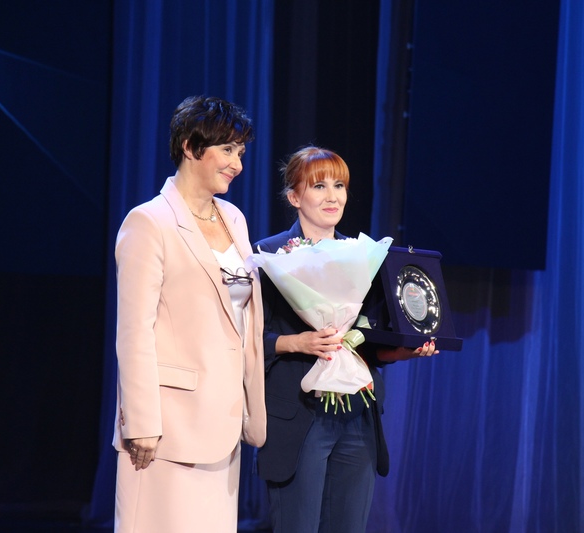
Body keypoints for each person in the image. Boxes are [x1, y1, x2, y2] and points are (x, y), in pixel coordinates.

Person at [253, 146, 437, 533]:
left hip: (357, 413)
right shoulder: (268, 255)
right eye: (319, 186)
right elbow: (247, 339)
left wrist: (403, 351)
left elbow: (368, 342)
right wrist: (297, 342)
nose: (332, 196)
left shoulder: (361, 255)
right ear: (294, 197)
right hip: (299, 412)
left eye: (339, 186)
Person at [112, 95, 266, 532]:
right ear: (190, 146)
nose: (237, 164)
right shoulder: (149, 222)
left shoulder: (233, 218)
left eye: (240, 152)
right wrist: (141, 421)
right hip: (168, 427)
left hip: (222, 421)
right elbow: (134, 331)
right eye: (227, 149)